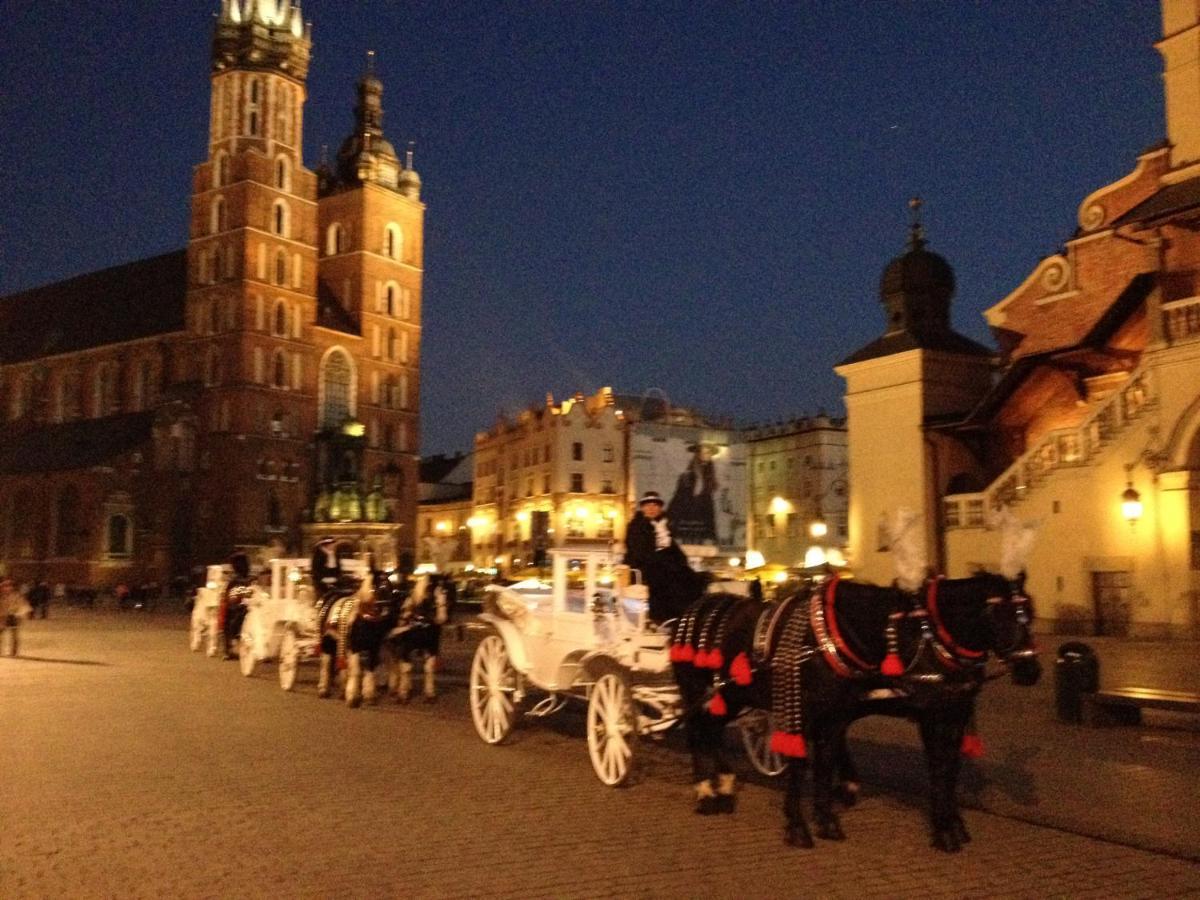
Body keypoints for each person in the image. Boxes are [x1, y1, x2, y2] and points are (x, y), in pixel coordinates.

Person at [624, 490, 705, 624]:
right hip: (644, 566)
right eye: (648, 505)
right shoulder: (636, 526)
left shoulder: (663, 526)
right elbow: (640, 551)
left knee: (692, 577)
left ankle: (691, 613)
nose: (651, 508)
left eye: (655, 505)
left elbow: (673, 549)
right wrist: (667, 562)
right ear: (642, 508)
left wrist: (682, 562)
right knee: (667, 579)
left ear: (660, 508)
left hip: (663, 563)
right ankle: (665, 617)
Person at [666, 442, 718, 545]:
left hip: (703, 515)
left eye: (709, 453)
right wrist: (670, 516)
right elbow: (678, 497)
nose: (706, 455)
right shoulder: (687, 475)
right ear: (698, 454)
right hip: (687, 514)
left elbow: (708, 503)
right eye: (704, 452)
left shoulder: (709, 474)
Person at [219, 552, 255, 660]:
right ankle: (229, 647)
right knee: (230, 618)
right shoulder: (248, 579)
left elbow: (230, 596)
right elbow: (231, 597)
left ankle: (228, 648)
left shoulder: (236, 580)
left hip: (245, 605)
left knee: (228, 619)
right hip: (241, 606)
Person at [0, 577, 33, 657]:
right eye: (4, 586)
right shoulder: (1, 596)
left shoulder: (16, 596)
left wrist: (19, 614)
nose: (6, 588)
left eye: (8, 586)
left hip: (13, 617)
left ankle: (14, 652)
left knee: (14, 635)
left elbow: (24, 605)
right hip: (3, 617)